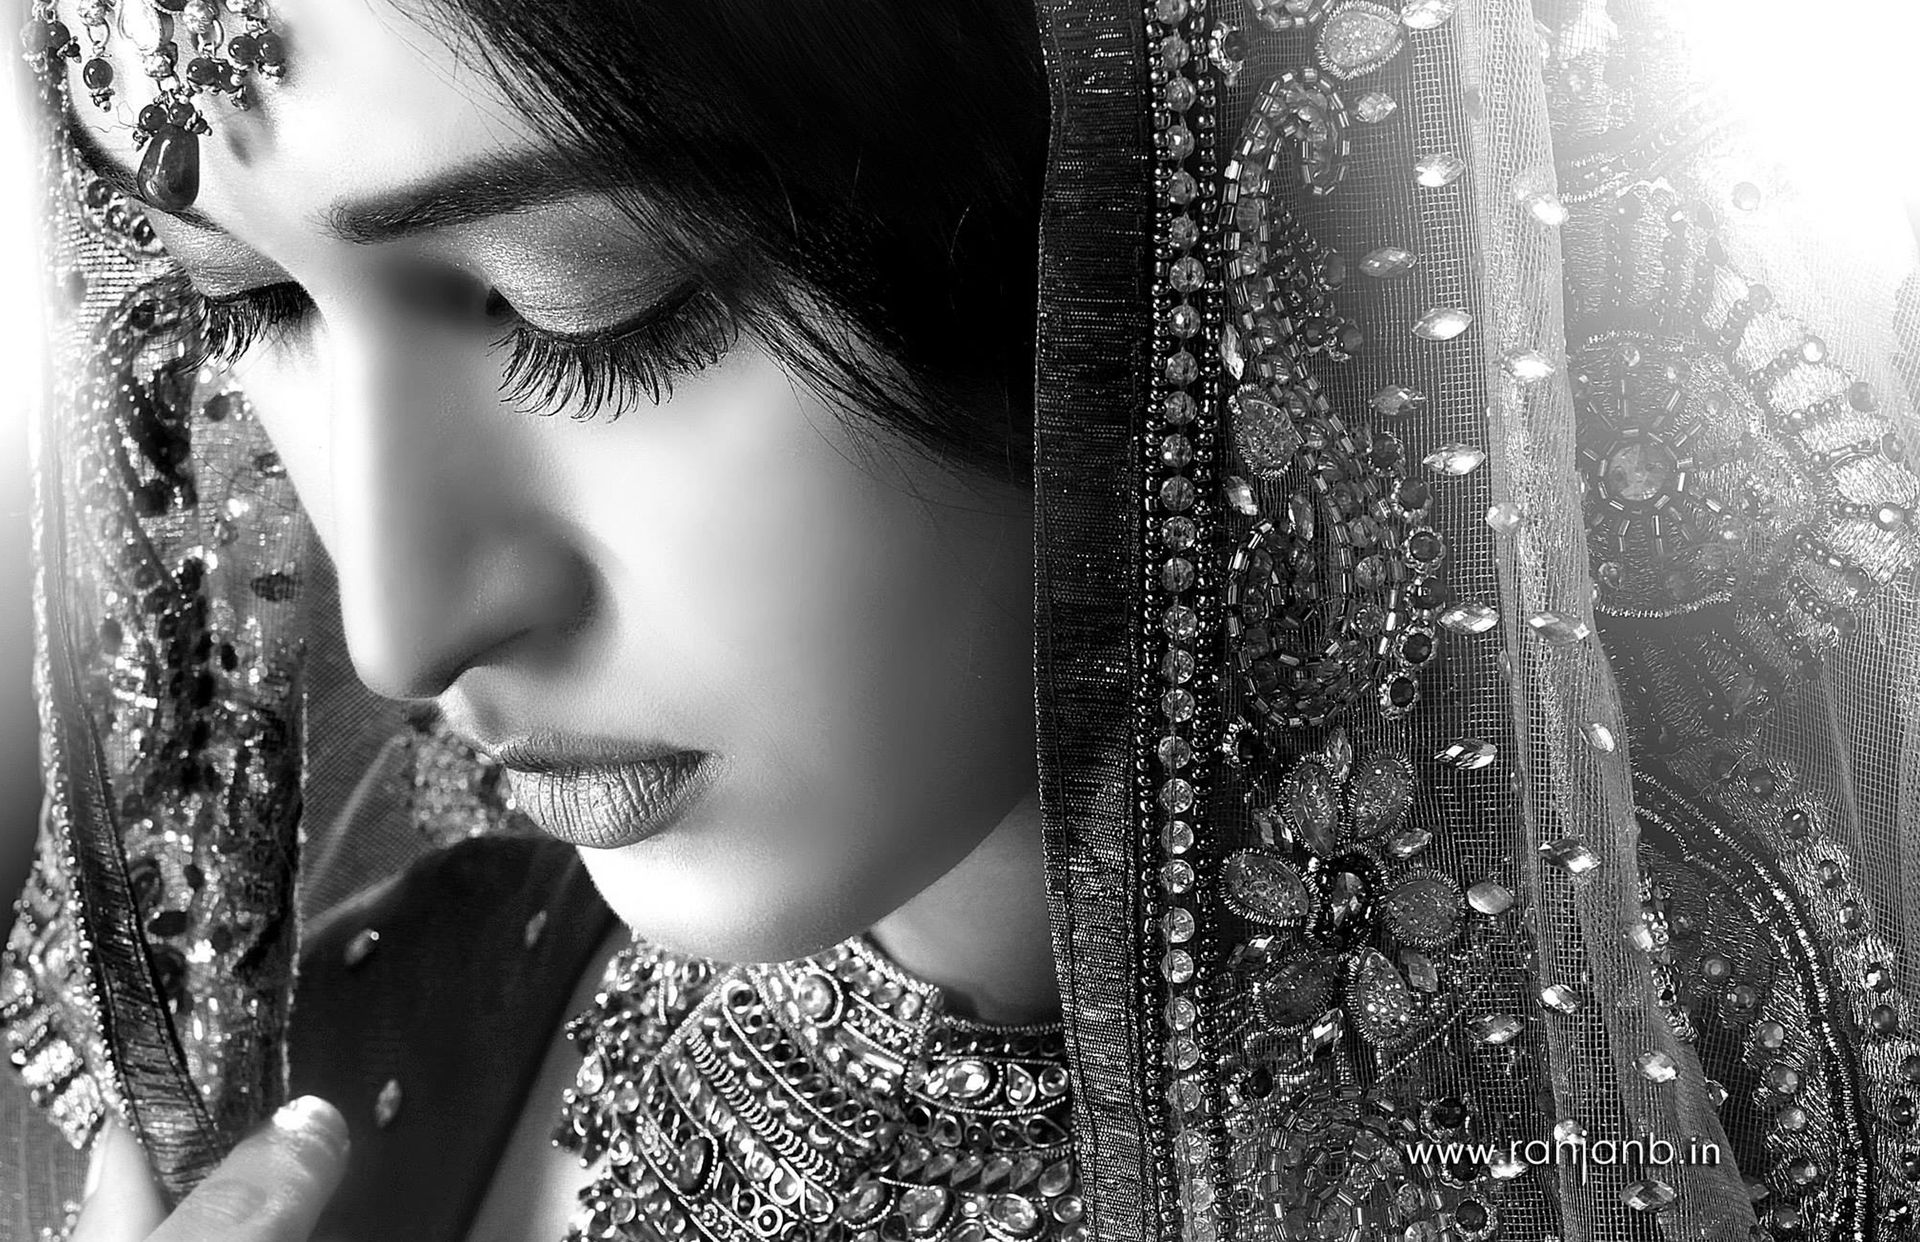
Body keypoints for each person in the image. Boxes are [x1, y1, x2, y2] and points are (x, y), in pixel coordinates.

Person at [8, 0, 1920, 1239]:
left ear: (1157, 197)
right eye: (243, 307)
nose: (400, 631)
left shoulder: (1702, 1100)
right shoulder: (367, 1050)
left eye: (584, 304)